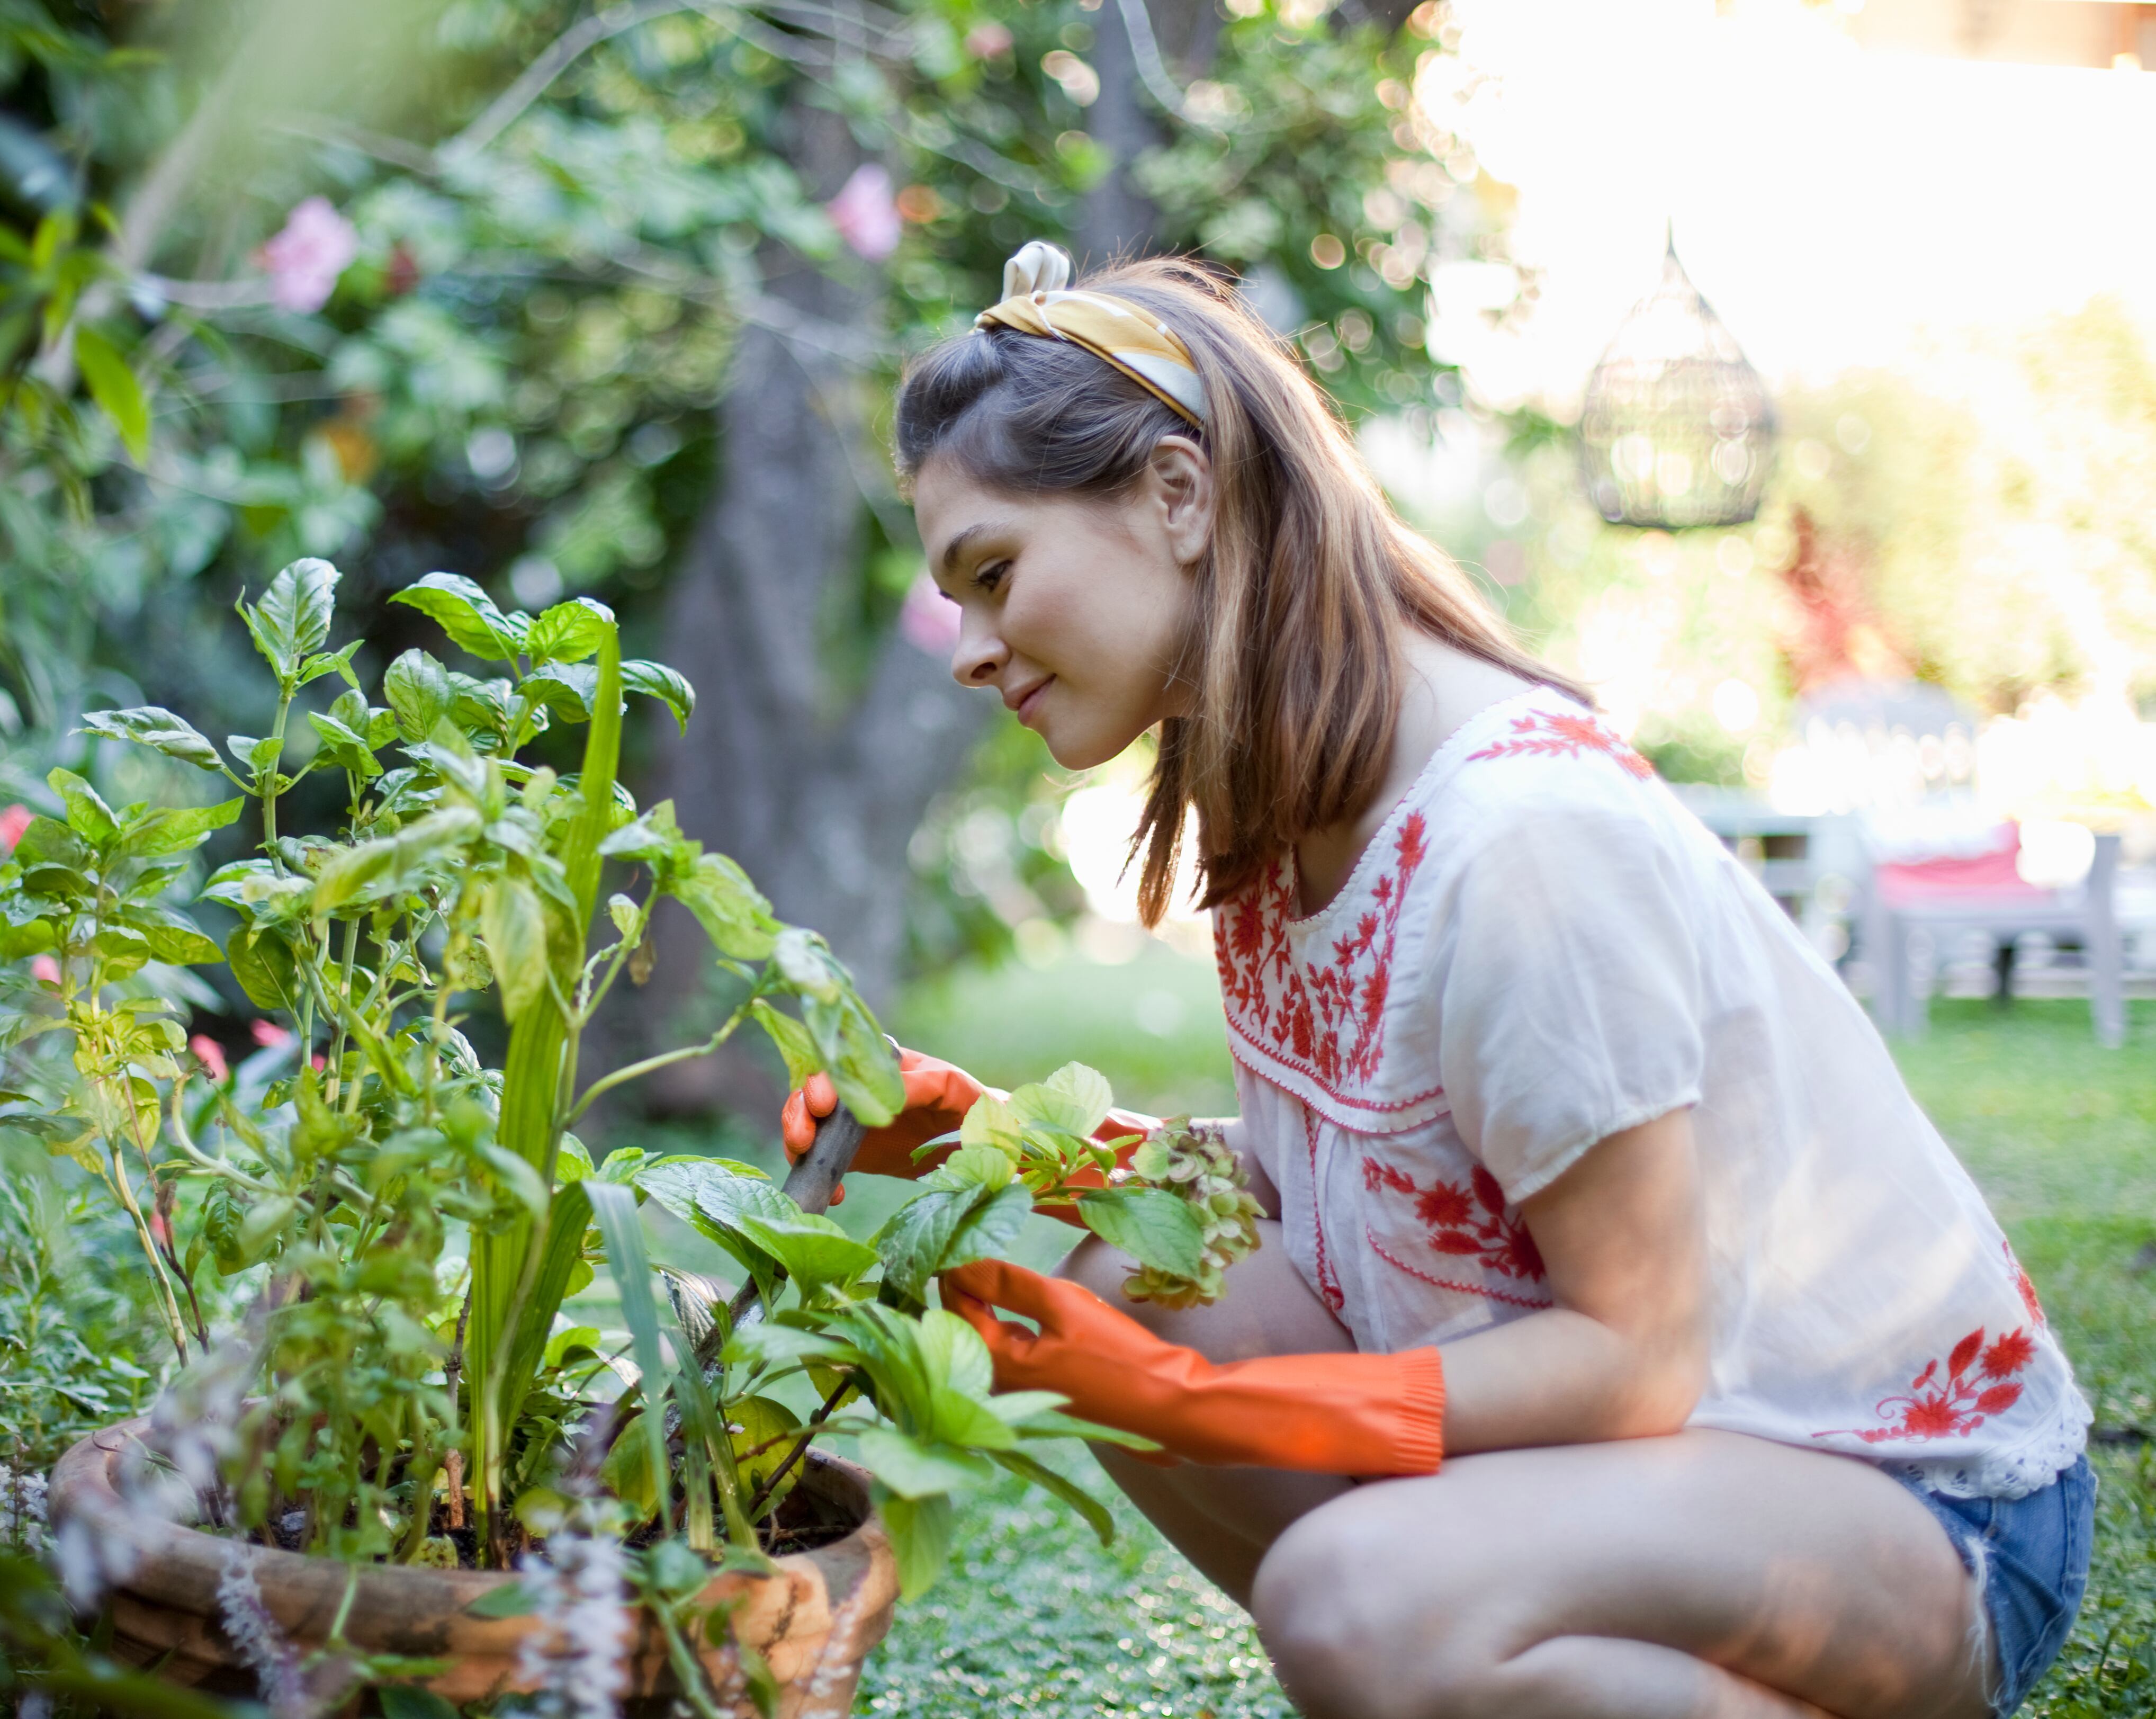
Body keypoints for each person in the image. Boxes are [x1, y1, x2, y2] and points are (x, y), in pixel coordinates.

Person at [781, 243, 2094, 1719]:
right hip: (1660, 1482)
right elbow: (1321, 1185)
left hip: (1894, 1507)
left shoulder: (1521, 842)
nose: (966, 649)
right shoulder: (1280, 795)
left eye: (994, 573)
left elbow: (1633, 1357)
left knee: (1357, 1600)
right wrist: (988, 1138)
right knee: (1133, 1275)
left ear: (1177, 492)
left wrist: (1201, 1406)